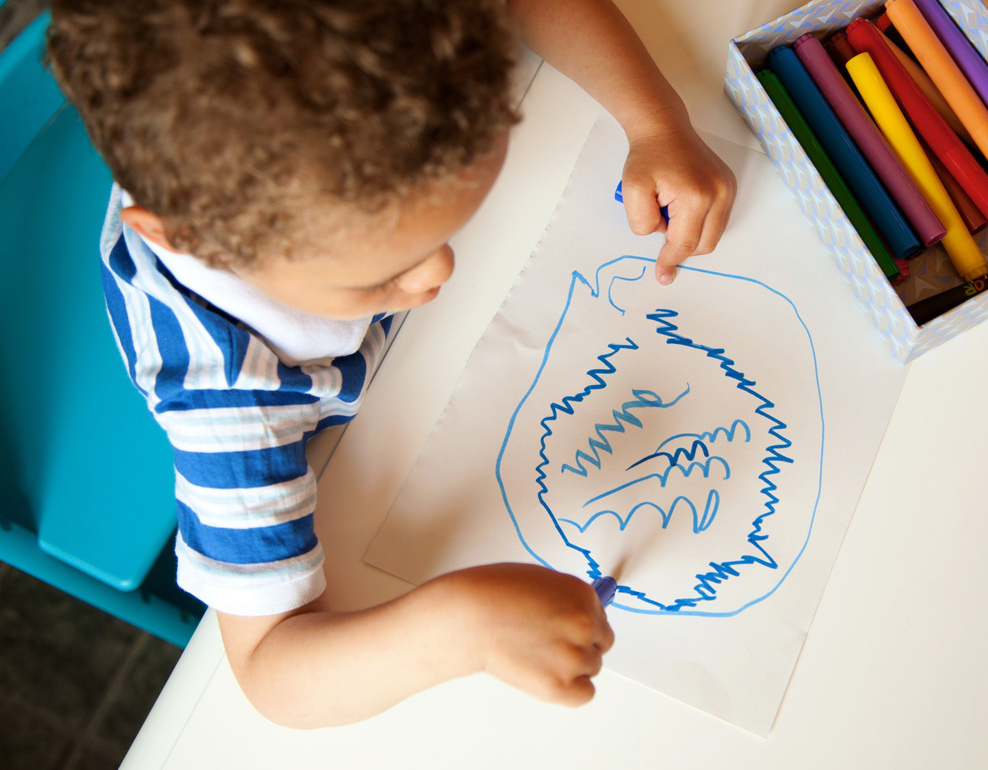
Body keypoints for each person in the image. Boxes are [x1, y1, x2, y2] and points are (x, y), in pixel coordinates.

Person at [47, 0, 736, 727]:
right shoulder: (232, 397)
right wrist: (455, 628)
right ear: (193, 240)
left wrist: (654, 120)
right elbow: (271, 667)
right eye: (381, 274)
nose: (438, 274)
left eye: (450, 222)